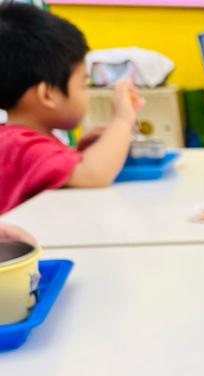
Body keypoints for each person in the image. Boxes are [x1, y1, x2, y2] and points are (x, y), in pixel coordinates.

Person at [0, 1, 142, 215]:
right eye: (82, 85)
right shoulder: (22, 146)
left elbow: (64, 178)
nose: (86, 95)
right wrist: (122, 119)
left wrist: (78, 154)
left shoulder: (18, 139)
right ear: (47, 95)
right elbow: (94, 174)